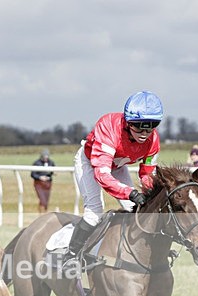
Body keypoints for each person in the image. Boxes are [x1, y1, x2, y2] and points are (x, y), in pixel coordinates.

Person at [65, 90, 163, 261]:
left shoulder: (153, 141)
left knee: (137, 210)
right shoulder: (109, 127)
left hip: (118, 166)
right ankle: (69, 257)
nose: (145, 133)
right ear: (128, 122)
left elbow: (147, 174)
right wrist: (131, 193)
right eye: (139, 125)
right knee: (94, 213)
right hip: (90, 163)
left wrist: (150, 195)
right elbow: (102, 174)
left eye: (152, 125)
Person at [31, 149, 55, 213]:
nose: (46, 158)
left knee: (46, 201)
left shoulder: (51, 162)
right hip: (39, 184)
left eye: (47, 157)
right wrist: (40, 177)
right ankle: (41, 214)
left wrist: (53, 173)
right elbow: (33, 174)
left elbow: (52, 171)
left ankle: (44, 213)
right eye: (44, 157)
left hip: (48, 184)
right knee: (42, 200)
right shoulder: (36, 163)